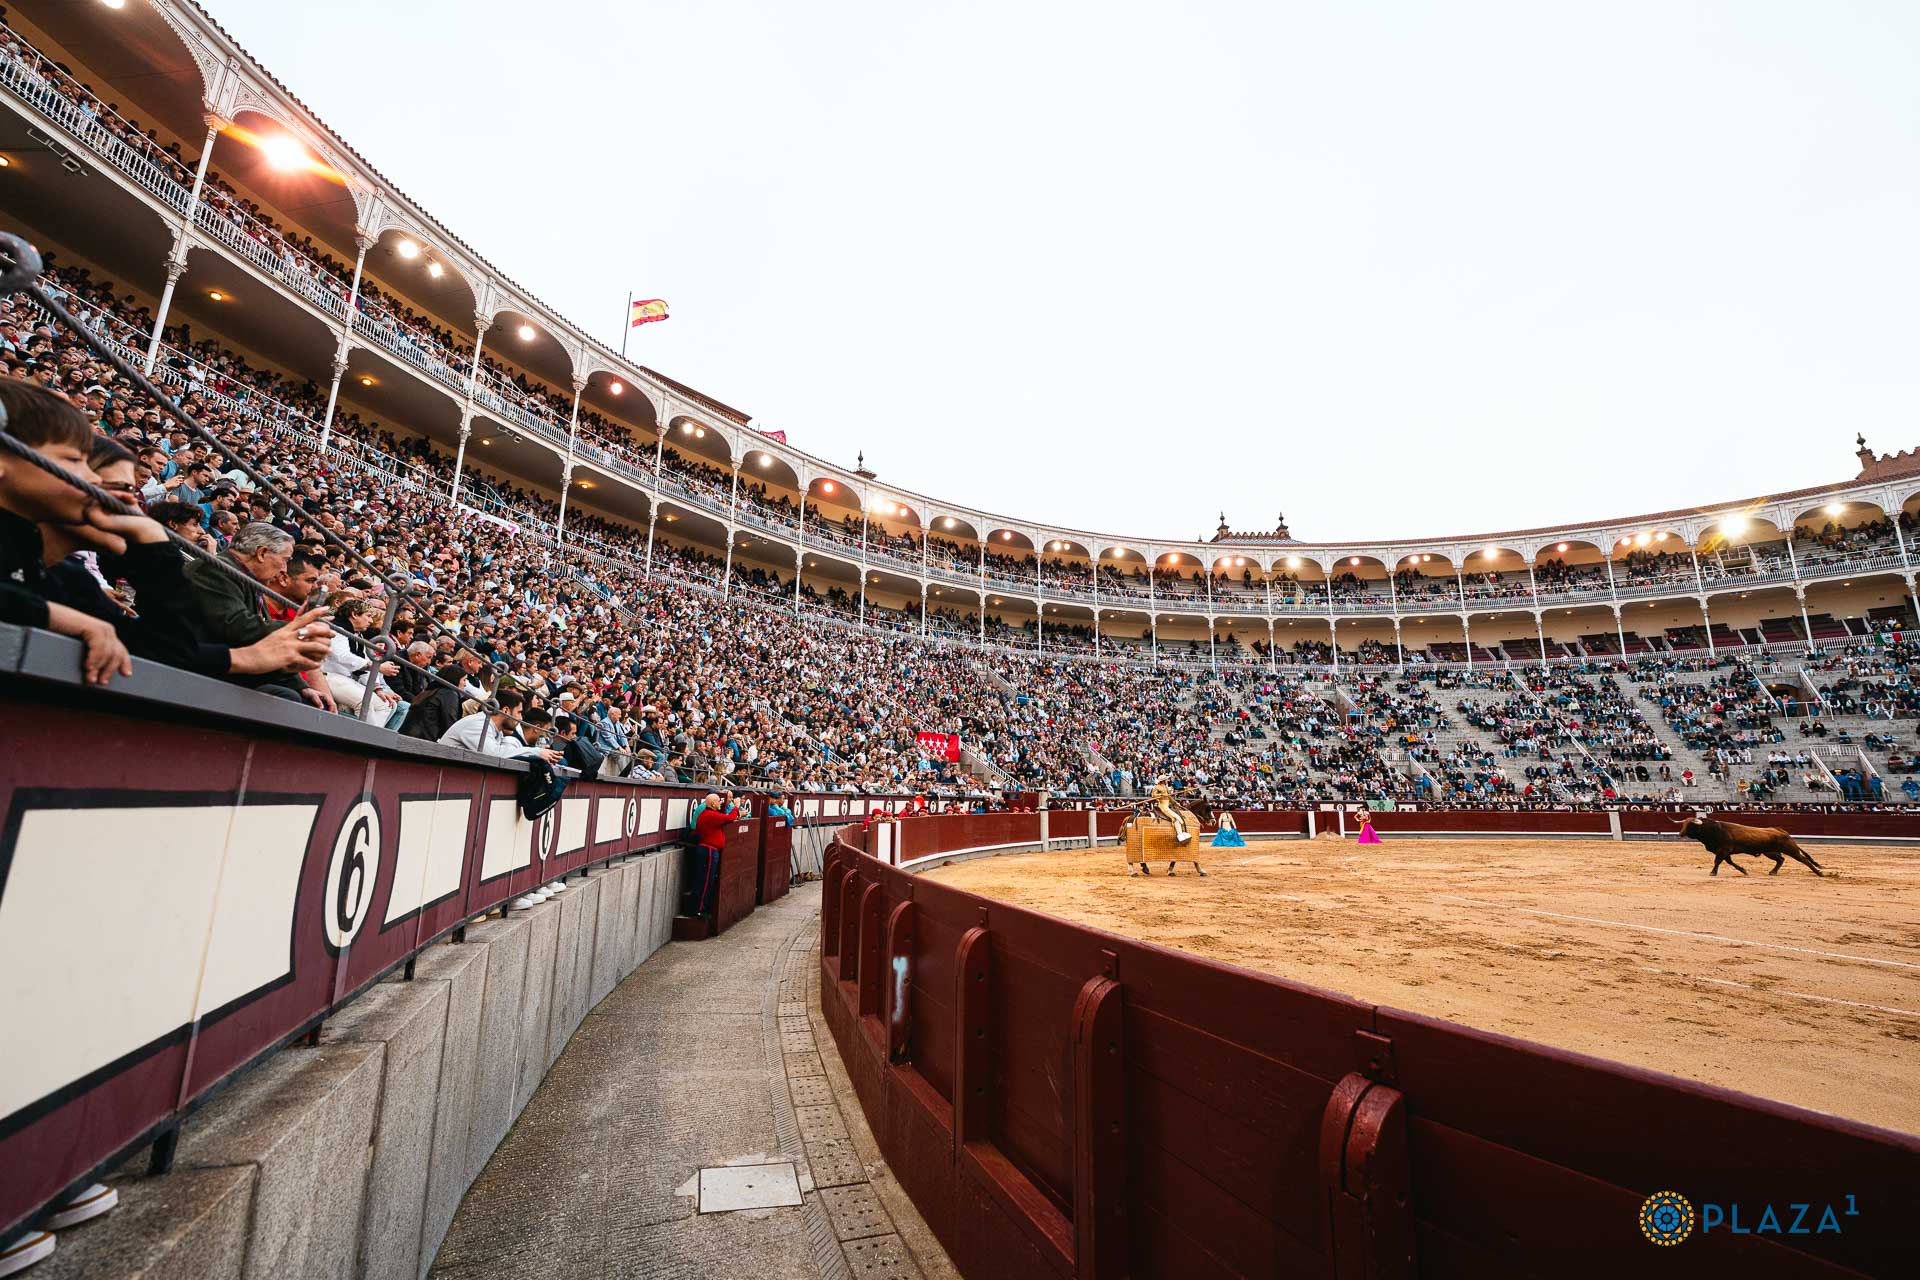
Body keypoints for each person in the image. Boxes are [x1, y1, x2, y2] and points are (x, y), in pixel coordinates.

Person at [684, 790, 740, 919]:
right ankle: (699, 909)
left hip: (706, 849)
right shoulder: (710, 815)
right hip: (708, 850)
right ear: (713, 803)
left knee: (703, 880)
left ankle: (697, 908)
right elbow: (730, 818)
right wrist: (736, 807)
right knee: (705, 881)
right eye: (718, 801)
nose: (720, 803)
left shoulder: (706, 814)